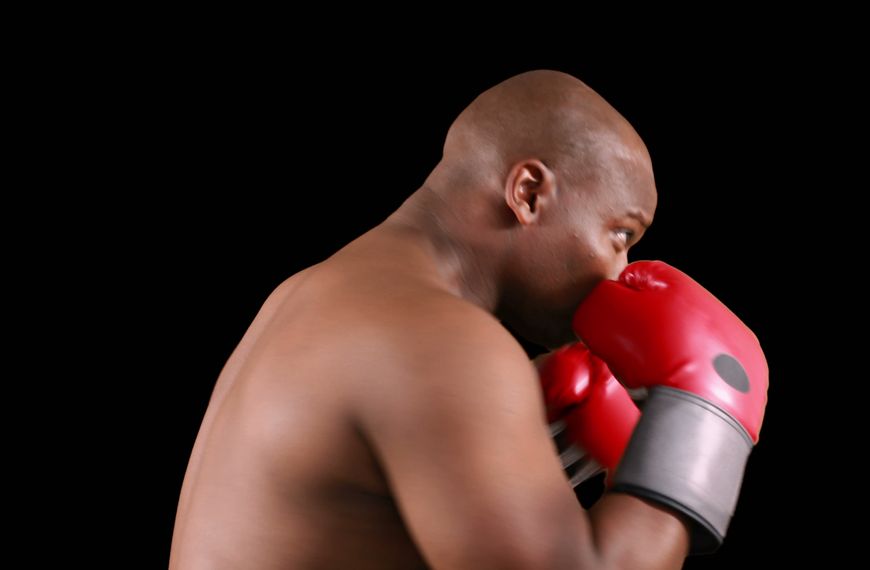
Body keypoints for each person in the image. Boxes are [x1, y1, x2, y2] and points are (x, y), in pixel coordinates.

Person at [170, 69, 765, 569]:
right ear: (528, 192)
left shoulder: (312, 294)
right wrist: (704, 416)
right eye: (620, 233)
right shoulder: (440, 341)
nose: (618, 273)